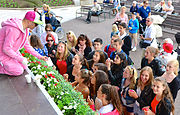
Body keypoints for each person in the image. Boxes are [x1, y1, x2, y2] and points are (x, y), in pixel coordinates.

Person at [0, 11, 47, 76]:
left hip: (11, 53)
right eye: (36, 24)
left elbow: (27, 46)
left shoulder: (25, 29)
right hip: (2, 54)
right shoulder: (14, 30)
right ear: (29, 22)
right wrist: (20, 59)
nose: (36, 26)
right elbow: (6, 49)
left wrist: (40, 56)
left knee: (25, 66)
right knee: (18, 70)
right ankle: (1, 67)